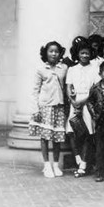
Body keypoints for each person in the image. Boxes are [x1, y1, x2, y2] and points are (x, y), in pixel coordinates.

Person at [30, 41, 68, 178]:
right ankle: (46, 165)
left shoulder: (63, 68)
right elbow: (35, 90)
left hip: (59, 106)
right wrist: (36, 109)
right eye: (51, 51)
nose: (54, 54)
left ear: (60, 54)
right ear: (46, 53)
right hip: (45, 107)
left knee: (57, 137)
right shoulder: (41, 69)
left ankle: (56, 165)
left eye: (56, 51)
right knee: (45, 137)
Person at [66, 41, 99, 178]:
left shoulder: (95, 67)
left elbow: (95, 88)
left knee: (87, 133)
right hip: (75, 102)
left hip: (88, 102)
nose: (85, 55)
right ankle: (78, 158)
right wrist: (73, 102)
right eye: (82, 53)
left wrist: (81, 103)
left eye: (87, 53)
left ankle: (84, 164)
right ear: (77, 54)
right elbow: (68, 86)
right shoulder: (72, 69)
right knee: (71, 131)